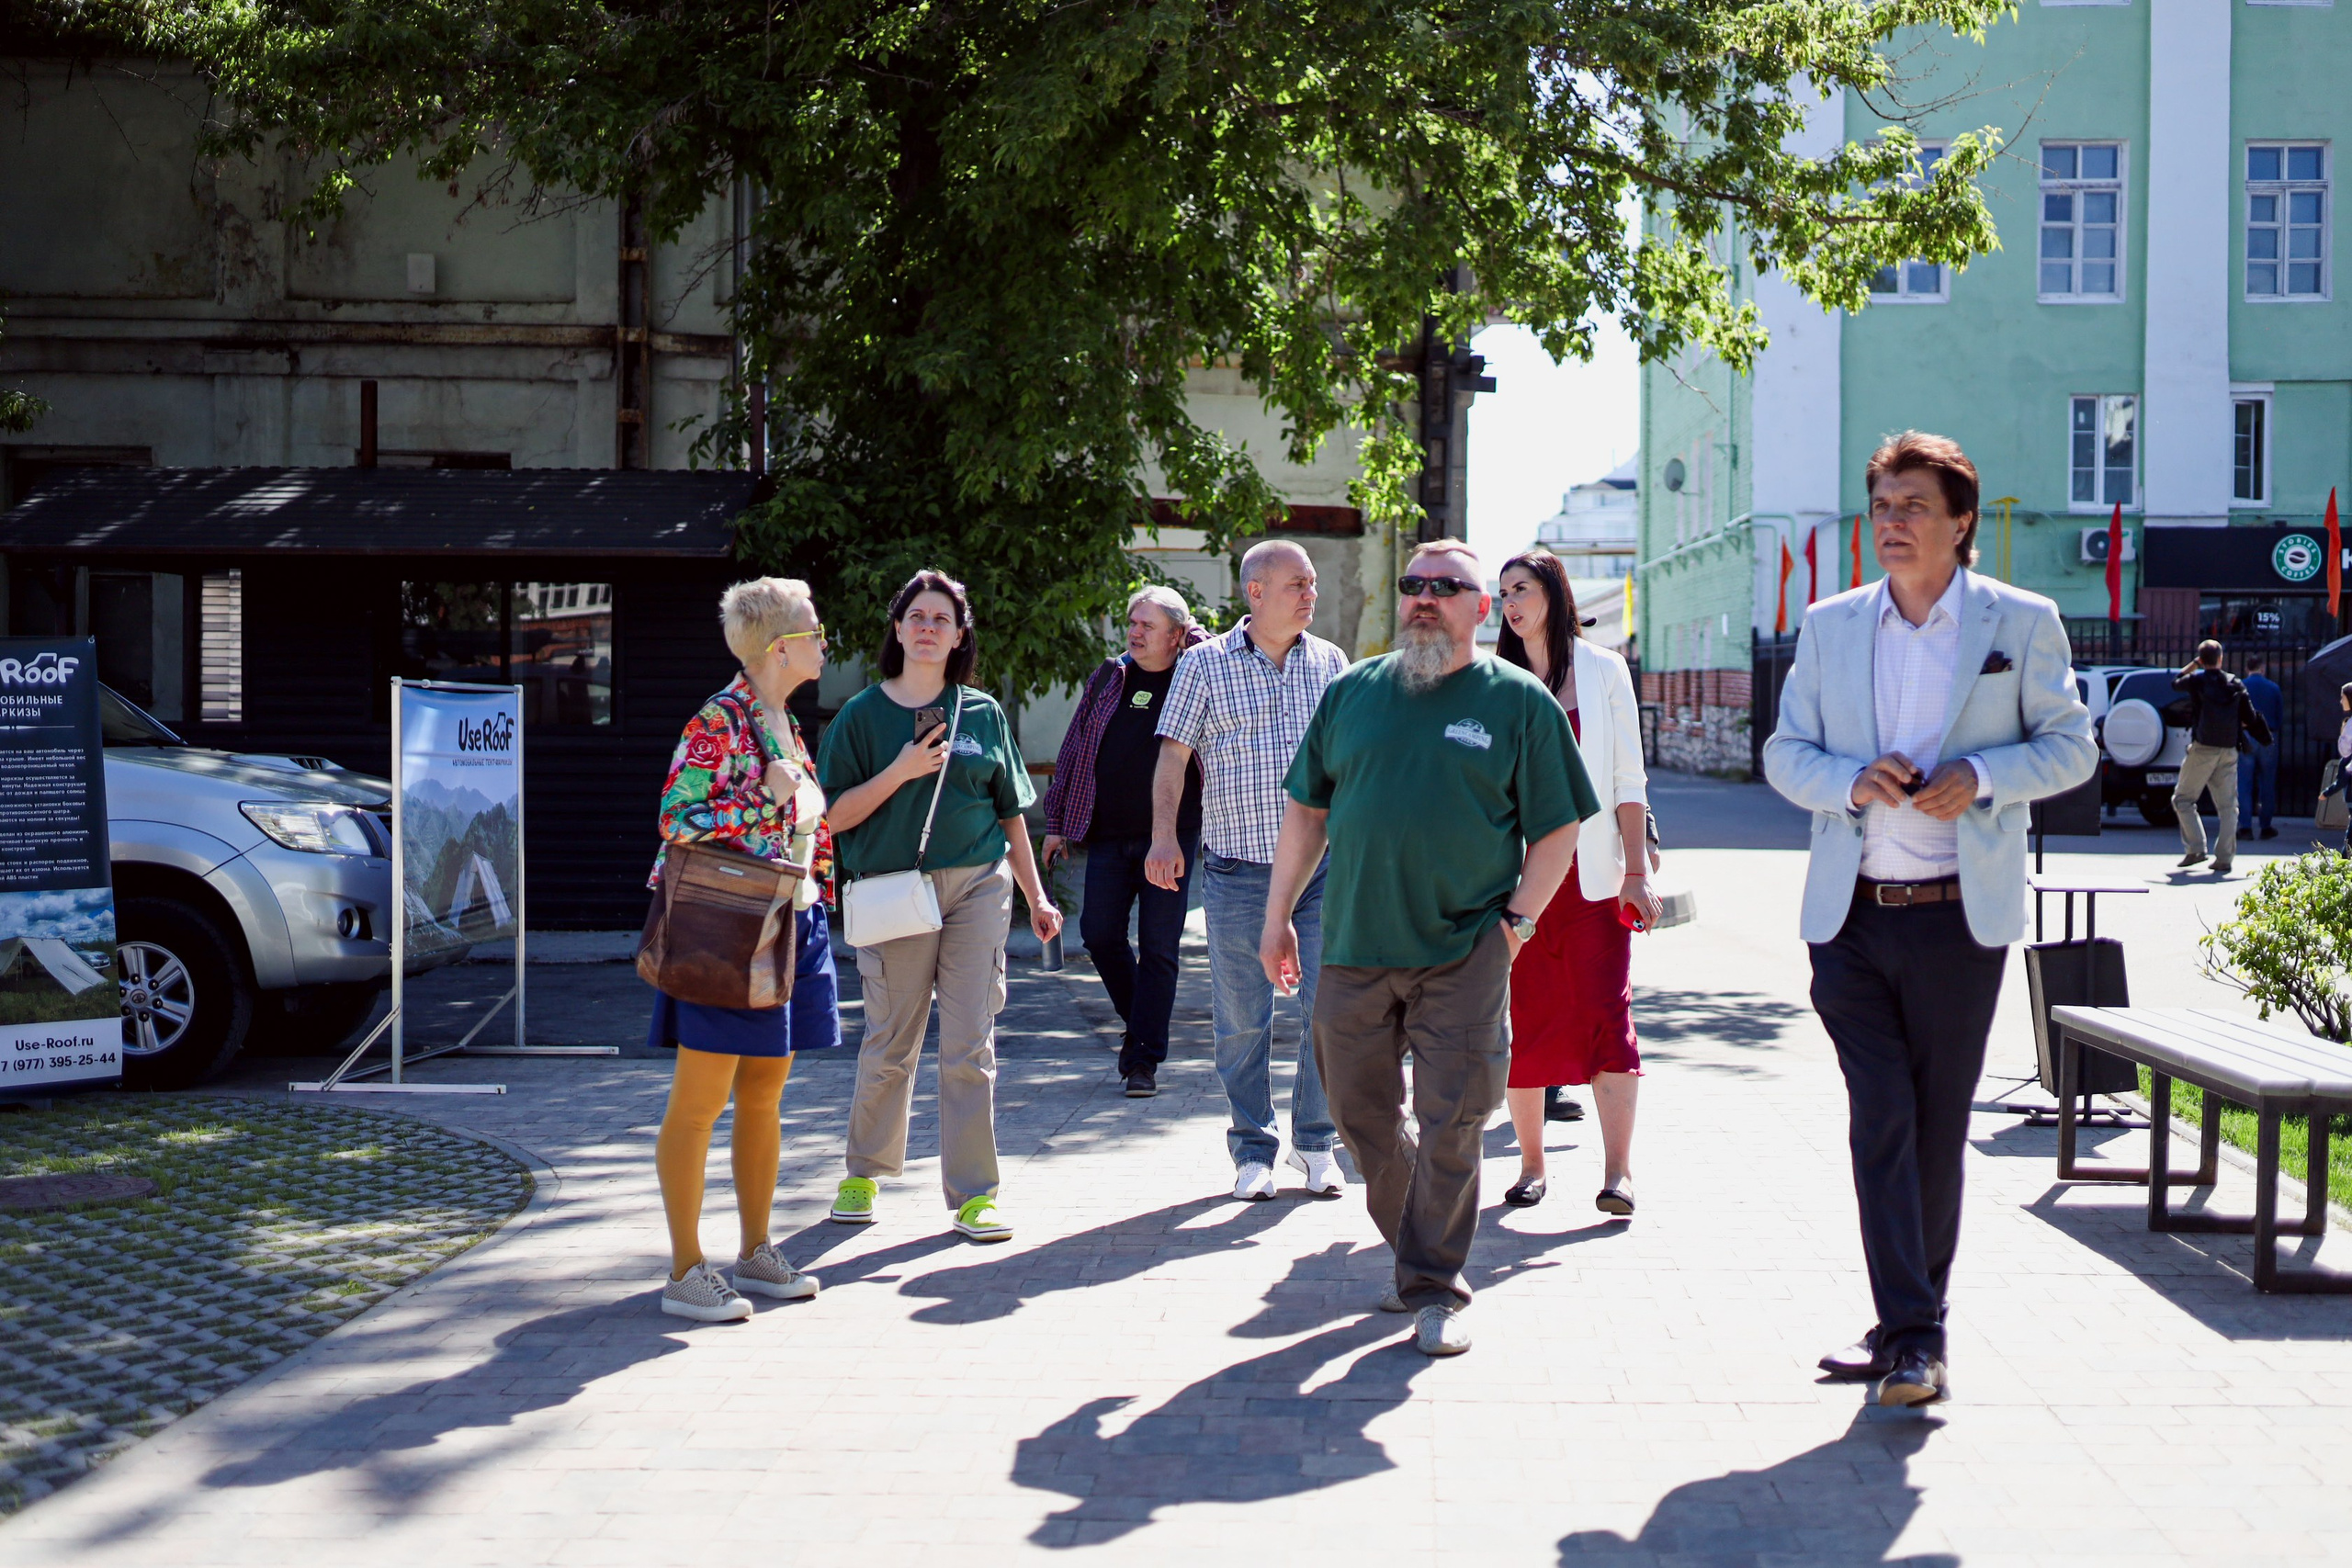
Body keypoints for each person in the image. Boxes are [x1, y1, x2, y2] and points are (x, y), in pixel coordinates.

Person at [1763, 432, 2096, 1407]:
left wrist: (1984, 776)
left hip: (1960, 921)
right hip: (1851, 919)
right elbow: (1786, 752)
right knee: (1883, 1119)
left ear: (1961, 522)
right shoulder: (1829, 627)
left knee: (1936, 1128)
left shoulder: (2019, 622)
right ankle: (1913, 1336)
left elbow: (2071, 746)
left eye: (1913, 506)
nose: (1893, 523)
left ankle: (1909, 1333)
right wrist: (1846, 782)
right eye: (1882, 505)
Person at [1264, 538, 1596, 1357]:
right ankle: (1421, 1250)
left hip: (1465, 949)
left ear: (1482, 609)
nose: (1425, 596)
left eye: (1448, 587)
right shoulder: (1354, 693)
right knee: (1357, 1114)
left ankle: (1434, 1285)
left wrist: (1514, 926)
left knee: (1455, 1117)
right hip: (1352, 943)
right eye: (1414, 584)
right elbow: (1307, 813)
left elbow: (1558, 828)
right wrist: (1277, 917)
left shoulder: (1519, 703)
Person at [817, 570, 1064, 1243]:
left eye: (942, 619)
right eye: (917, 617)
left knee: (968, 1045)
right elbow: (831, 817)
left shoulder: (981, 712)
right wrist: (898, 770)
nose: (928, 628)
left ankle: (976, 1194)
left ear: (959, 637)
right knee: (892, 1039)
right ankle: (864, 1172)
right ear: (897, 629)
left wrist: (1036, 898)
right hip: (896, 891)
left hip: (978, 887)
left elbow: (1011, 812)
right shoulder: (860, 716)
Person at [648, 577, 841, 1322]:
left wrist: (820, 883)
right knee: (698, 1104)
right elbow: (677, 815)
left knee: (764, 1093)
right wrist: (764, 793)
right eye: (815, 630)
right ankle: (684, 1269)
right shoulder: (719, 719)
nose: (824, 642)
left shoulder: (780, 718)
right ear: (780, 647)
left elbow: (804, 817)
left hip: (790, 924)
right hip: (727, 931)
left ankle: (756, 1250)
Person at [1148, 540, 1350, 1200]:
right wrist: (1162, 837)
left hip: (1323, 874)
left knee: (1328, 1011)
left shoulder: (1331, 663)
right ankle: (1253, 1149)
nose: (1310, 593)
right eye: (1297, 583)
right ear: (1255, 591)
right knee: (1243, 1019)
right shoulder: (1203, 665)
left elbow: (1352, 762)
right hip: (1239, 872)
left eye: (1313, 583)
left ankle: (1316, 1143)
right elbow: (1174, 758)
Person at [1493, 548, 1657, 1214]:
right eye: (1503, 593)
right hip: (1517, 881)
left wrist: (1637, 871)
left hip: (1593, 881)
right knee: (1526, 1020)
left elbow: (1628, 778)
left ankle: (1618, 1173)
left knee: (1607, 1016)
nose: (1510, 603)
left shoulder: (1603, 670)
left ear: (1554, 595)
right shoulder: (1494, 678)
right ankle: (1532, 1166)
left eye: (1521, 589)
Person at [1040, 586, 1209, 1098]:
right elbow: (1075, 747)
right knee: (1099, 934)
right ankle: (1141, 1030)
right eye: (1132, 623)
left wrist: (1194, 643)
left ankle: (1143, 1061)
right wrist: (1056, 822)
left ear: (1177, 635)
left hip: (1171, 838)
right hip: (1109, 834)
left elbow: (1221, 651)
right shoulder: (1110, 677)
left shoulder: (1198, 674)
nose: (1134, 633)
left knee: (1159, 947)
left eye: (1147, 625)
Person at [2170, 640, 2273, 875]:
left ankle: (2196, 848)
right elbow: (2249, 716)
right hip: (2229, 749)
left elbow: (2175, 683)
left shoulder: (2196, 680)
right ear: (2221, 658)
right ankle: (2224, 859)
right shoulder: (2235, 683)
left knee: (2183, 799)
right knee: (2228, 807)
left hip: (2203, 748)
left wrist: (2192, 665)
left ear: (2201, 660)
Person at [2236, 654, 2284, 842]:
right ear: (2262, 668)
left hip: (2246, 735)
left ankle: (2245, 827)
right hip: (2268, 735)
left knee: (2244, 783)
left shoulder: (2240, 686)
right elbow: (2279, 716)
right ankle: (2266, 826)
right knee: (2267, 783)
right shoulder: (2273, 688)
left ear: (2247, 668)